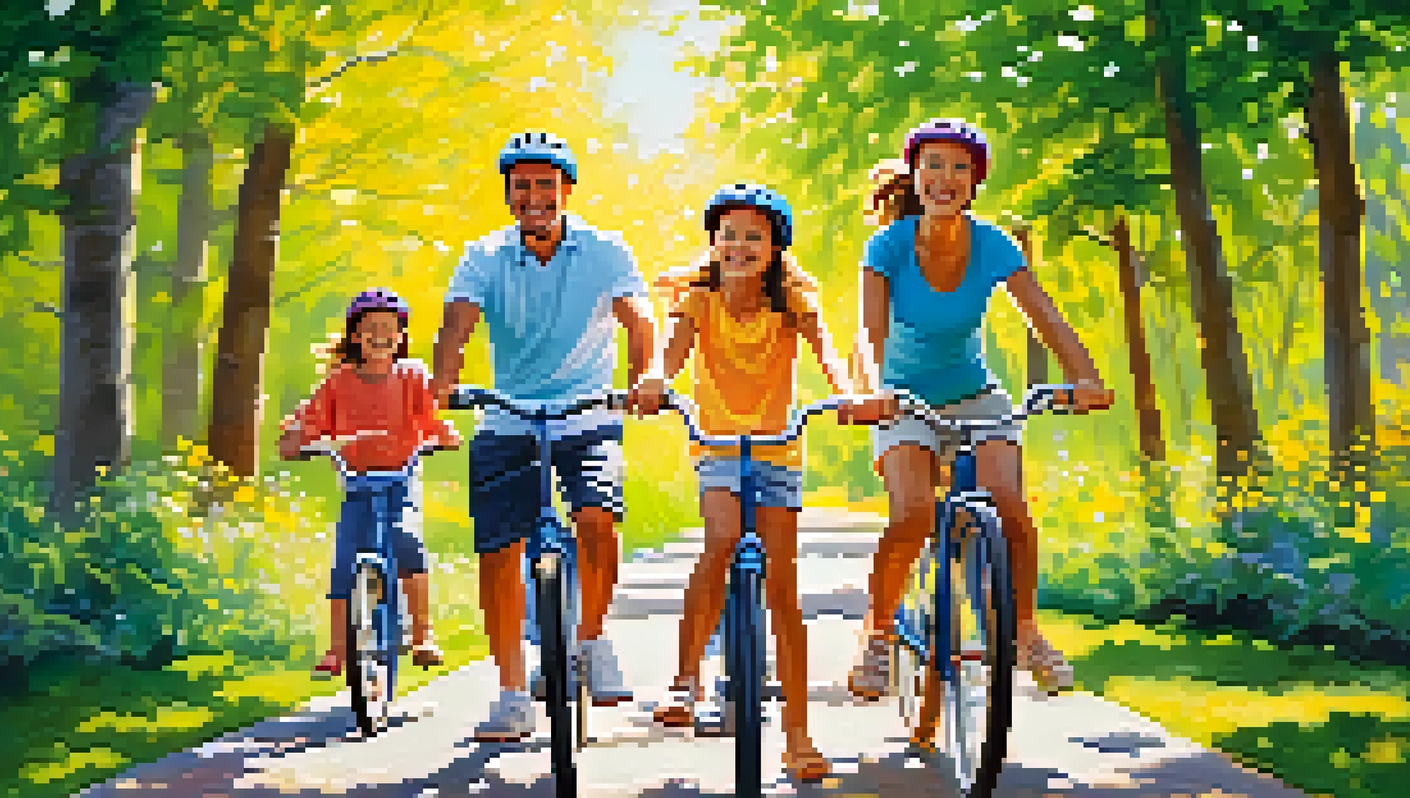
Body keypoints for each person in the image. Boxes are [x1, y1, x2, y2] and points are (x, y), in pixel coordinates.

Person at [837, 120, 1115, 718]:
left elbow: (1045, 316)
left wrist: (1085, 377)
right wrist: (873, 391)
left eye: (959, 168)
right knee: (911, 514)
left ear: (975, 182)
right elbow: (867, 332)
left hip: (974, 395)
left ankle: (1027, 632)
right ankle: (878, 636)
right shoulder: (888, 246)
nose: (945, 178)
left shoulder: (992, 246)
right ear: (915, 174)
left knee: (1007, 504)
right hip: (901, 395)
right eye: (933, 164)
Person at [432, 131, 658, 742]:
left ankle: (592, 640)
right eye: (522, 184)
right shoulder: (483, 255)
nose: (534, 195)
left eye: (545, 183)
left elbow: (639, 322)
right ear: (509, 193)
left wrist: (645, 381)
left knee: (596, 516)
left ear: (565, 189)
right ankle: (510, 691)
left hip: (586, 416)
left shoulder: (606, 250)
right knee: (499, 552)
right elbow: (456, 326)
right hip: (507, 416)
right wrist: (442, 389)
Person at [630, 184, 858, 783]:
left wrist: (847, 393)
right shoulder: (698, 299)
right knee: (722, 537)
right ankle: (684, 679)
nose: (739, 245)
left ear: (775, 246)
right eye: (729, 233)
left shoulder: (793, 298)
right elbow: (670, 356)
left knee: (784, 587)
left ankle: (800, 736)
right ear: (714, 240)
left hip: (779, 448)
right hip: (718, 446)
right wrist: (654, 381)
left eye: (753, 236)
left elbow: (826, 351)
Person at [278, 288, 459, 676]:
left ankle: (422, 633)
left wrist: (443, 436)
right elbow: (309, 421)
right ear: (354, 336)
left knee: (406, 538)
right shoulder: (338, 382)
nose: (380, 335)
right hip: (357, 482)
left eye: (390, 328)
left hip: (401, 479)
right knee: (345, 561)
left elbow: (431, 419)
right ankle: (337, 649)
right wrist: (296, 439)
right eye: (370, 328)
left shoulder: (412, 376)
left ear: (401, 337)